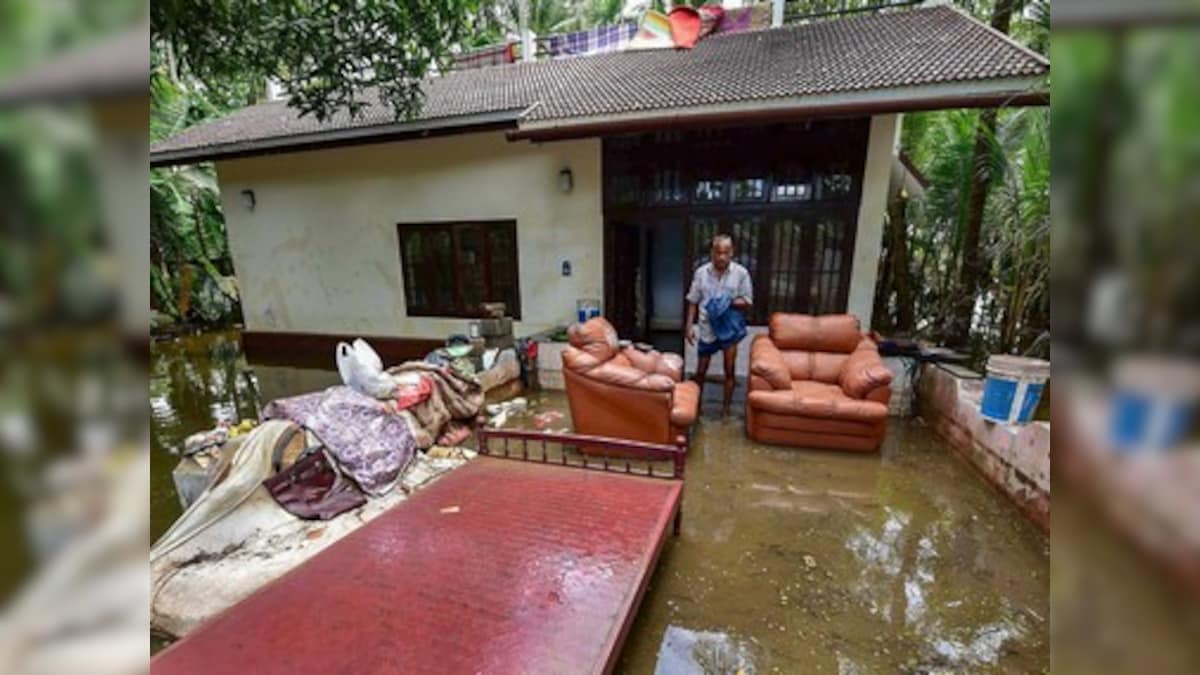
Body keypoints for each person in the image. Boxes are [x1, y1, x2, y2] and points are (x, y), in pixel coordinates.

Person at [685, 234, 753, 417]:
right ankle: (696, 409)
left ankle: (725, 411)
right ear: (711, 253)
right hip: (707, 326)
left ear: (732, 253)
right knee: (700, 371)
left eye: (725, 252)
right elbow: (693, 300)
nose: (721, 257)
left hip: (729, 327)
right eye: (717, 252)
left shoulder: (741, 273)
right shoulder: (701, 273)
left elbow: (747, 301)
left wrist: (728, 301)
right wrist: (689, 326)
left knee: (729, 371)